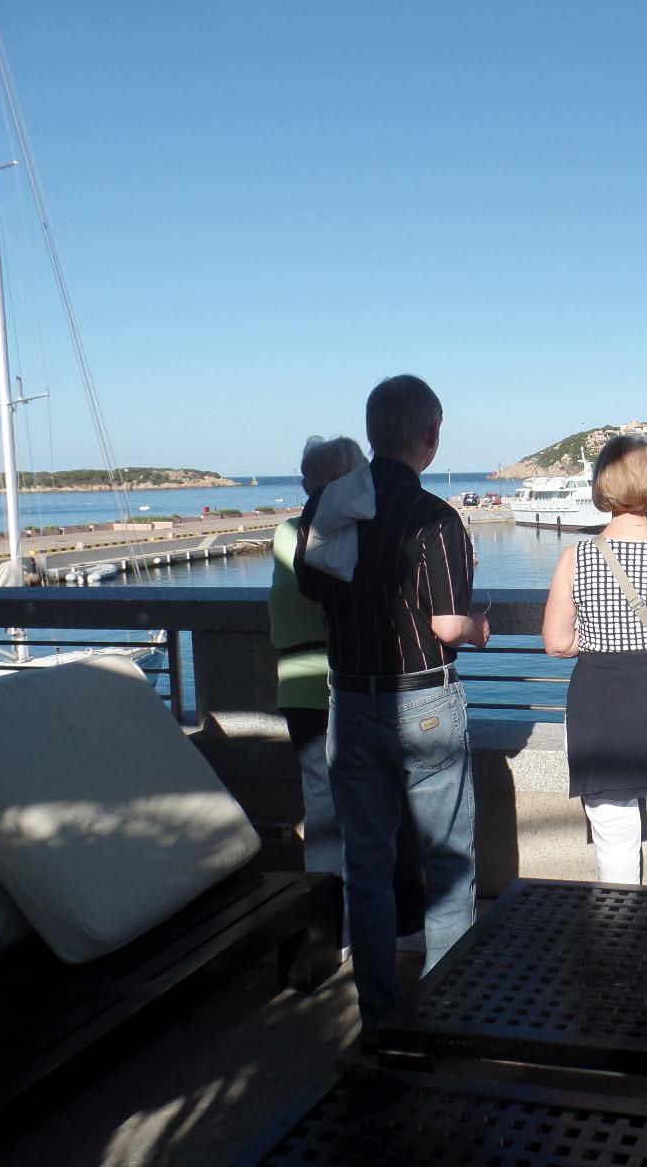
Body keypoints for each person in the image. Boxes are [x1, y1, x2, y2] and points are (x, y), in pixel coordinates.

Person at [294, 375, 489, 1041]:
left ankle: (379, 1014)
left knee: (368, 866)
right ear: (430, 435)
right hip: (423, 699)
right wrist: (480, 629)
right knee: (449, 866)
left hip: (349, 699)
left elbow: (312, 589)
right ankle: (444, 1011)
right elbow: (448, 625)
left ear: (373, 432)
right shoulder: (435, 518)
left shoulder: (326, 508)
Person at [542, 435, 647, 888]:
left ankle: (618, 929)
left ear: (602, 484)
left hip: (599, 706)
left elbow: (557, 643)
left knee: (614, 841)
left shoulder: (575, 557)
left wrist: (599, 637)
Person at [268, 435, 366, 889]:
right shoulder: (356, 538)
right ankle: (370, 912)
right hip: (348, 683)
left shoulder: (286, 532)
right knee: (369, 806)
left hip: (297, 687)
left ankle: (326, 912)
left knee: (321, 807)